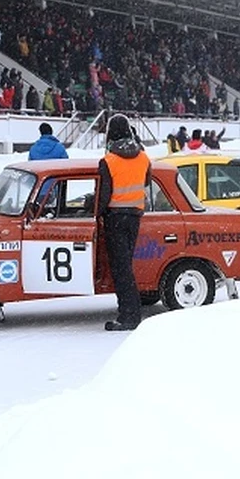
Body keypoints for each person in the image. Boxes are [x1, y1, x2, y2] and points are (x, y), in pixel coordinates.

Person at [97, 114, 151, 332]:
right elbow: (146, 182)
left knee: (121, 269)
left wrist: (97, 214)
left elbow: (104, 194)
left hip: (115, 218)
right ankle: (132, 310)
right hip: (135, 216)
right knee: (125, 265)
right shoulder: (143, 157)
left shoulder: (108, 161)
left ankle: (129, 316)